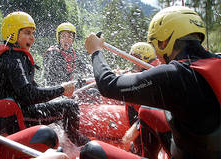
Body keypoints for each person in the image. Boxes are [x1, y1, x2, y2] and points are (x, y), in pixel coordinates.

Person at [83, 6, 221, 159]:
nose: (156, 51)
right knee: (146, 111)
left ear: (164, 41)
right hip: (202, 148)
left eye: (156, 44)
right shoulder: (216, 62)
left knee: (90, 150)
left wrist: (95, 52)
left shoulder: (175, 75)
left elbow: (108, 85)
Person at [0, 11, 89, 146]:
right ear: (13, 33)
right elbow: (29, 95)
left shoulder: (5, 53)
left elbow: (28, 88)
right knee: (70, 106)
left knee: (57, 99)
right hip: (16, 116)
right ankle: (74, 141)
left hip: (3, 114)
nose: (32, 38)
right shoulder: (13, 59)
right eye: (27, 33)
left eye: (33, 33)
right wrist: (61, 89)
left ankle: (60, 135)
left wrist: (57, 91)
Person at [122, 42, 171, 159]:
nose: (133, 62)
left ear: (144, 58)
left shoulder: (151, 74)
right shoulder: (148, 70)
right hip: (146, 121)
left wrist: (136, 127)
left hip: (151, 123)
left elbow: (156, 105)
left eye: (136, 58)